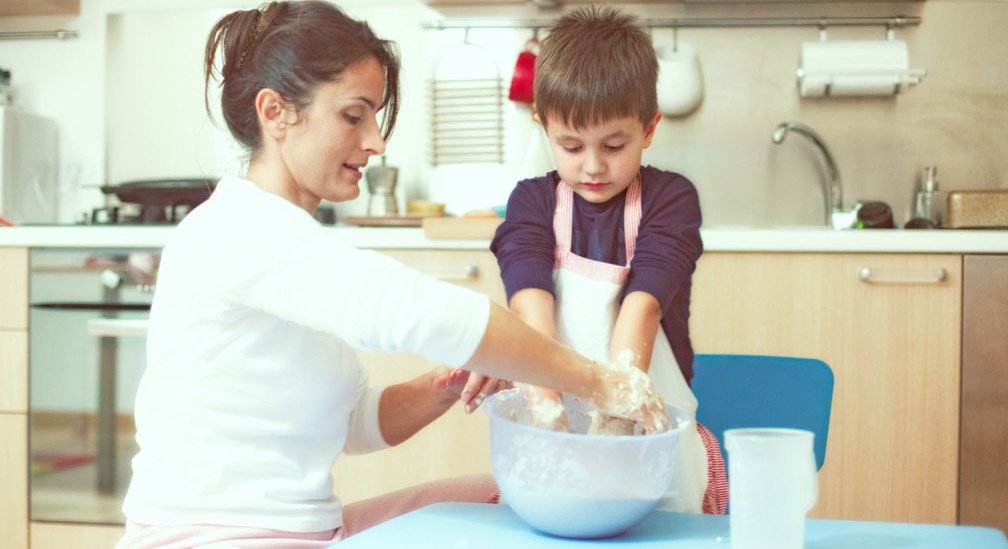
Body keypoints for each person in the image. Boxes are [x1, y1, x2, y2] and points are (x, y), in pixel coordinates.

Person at [115, 2, 666, 548]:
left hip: (311, 530)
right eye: (354, 115)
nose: (376, 140)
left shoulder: (291, 243)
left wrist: (442, 385)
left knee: (512, 501)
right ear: (276, 112)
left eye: (375, 117)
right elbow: (425, 313)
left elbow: (354, 424)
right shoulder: (240, 229)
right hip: (213, 538)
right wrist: (603, 383)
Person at [483, 5, 727, 514]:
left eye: (614, 145)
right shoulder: (533, 202)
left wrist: (616, 427)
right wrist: (551, 421)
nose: (592, 166)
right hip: (554, 418)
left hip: (649, 434)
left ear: (650, 127)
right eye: (570, 146)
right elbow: (531, 311)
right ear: (543, 126)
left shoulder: (671, 199)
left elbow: (643, 307)